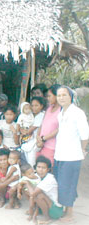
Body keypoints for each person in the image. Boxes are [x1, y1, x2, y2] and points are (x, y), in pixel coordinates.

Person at [53, 86, 89, 223]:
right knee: (62, 183)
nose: (61, 97)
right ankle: (66, 210)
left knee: (68, 184)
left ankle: (70, 213)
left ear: (71, 97)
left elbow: (85, 135)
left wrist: (82, 150)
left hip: (72, 156)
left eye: (64, 95)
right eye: (59, 95)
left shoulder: (77, 113)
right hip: (60, 154)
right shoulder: (61, 112)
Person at [26, 156, 63, 224]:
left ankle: (47, 218)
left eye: (43, 168)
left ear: (48, 169)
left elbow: (33, 193)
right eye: (39, 167)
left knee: (38, 195)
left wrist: (27, 183)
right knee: (27, 190)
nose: (40, 169)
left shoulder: (49, 179)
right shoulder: (37, 175)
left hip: (55, 210)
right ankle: (34, 210)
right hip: (48, 203)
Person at [36, 84, 61, 166]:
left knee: (47, 170)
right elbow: (42, 124)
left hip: (51, 146)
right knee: (38, 169)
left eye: (49, 96)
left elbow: (59, 129)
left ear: (57, 95)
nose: (48, 98)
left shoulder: (62, 111)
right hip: (40, 145)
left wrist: (44, 138)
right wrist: (38, 137)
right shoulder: (49, 108)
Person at [21, 97, 46, 167]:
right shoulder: (31, 115)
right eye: (32, 105)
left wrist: (23, 131)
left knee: (31, 162)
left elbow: (29, 131)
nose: (34, 108)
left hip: (36, 141)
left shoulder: (41, 115)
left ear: (41, 106)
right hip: (31, 140)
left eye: (36, 105)